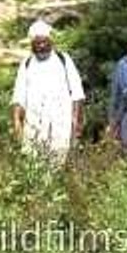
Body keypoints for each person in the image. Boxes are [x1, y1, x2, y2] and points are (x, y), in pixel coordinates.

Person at [12, 20, 86, 164]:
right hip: (34, 125)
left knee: (59, 162)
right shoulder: (26, 64)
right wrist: (16, 123)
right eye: (38, 43)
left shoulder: (63, 59)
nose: (41, 46)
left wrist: (77, 122)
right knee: (33, 164)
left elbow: (77, 93)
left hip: (61, 124)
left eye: (44, 42)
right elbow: (19, 96)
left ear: (50, 41)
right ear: (32, 45)